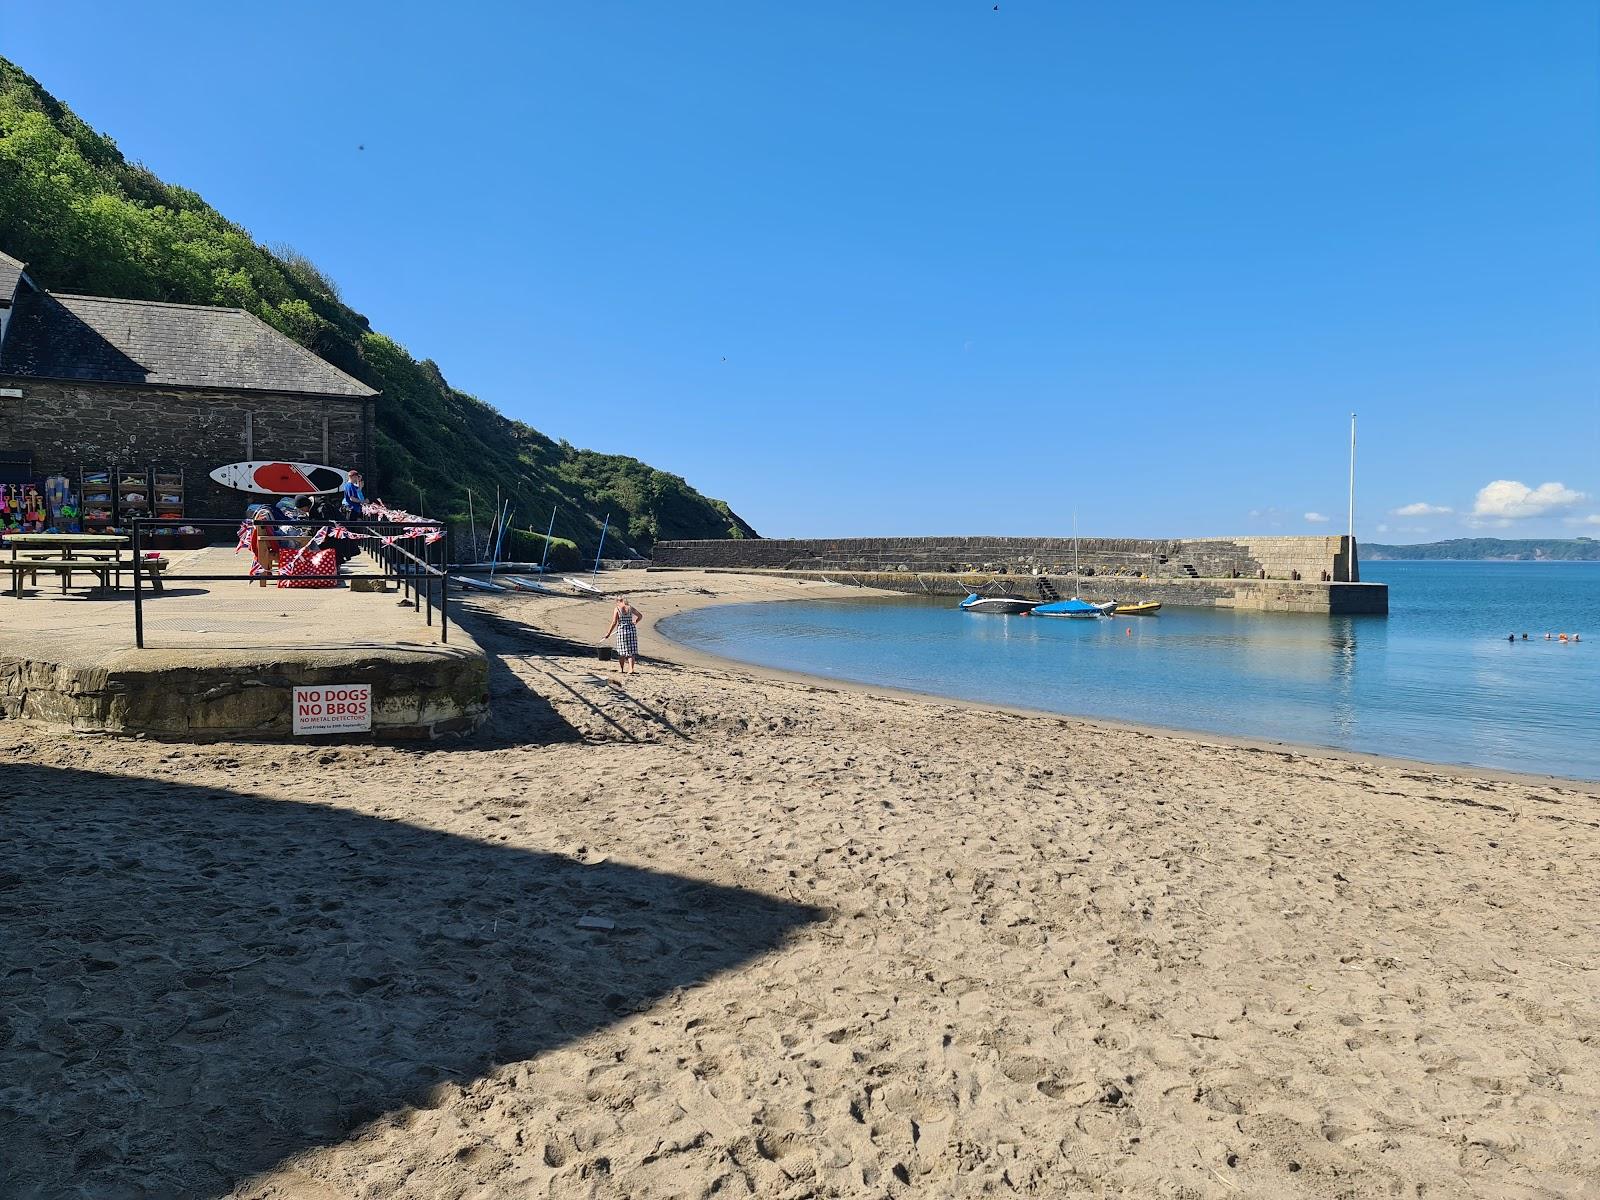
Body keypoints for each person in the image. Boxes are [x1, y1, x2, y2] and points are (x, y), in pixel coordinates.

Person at [603, 597, 643, 678]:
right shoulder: (630, 608)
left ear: (618, 601)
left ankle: (621, 669)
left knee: (622, 651)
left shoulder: (617, 609)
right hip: (631, 630)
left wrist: (608, 633)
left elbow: (614, 622)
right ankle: (631, 669)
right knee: (631, 651)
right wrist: (635, 621)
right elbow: (640, 616)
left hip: (622, 631)